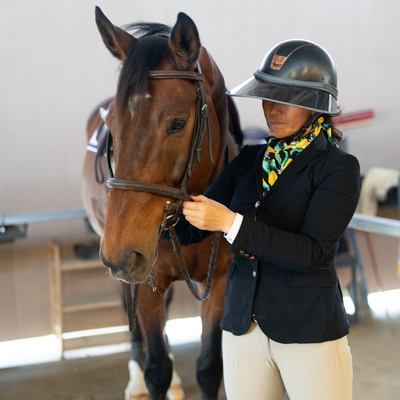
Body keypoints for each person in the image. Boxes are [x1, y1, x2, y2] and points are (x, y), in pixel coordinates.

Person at [172, 39, 360, 400]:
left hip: (308, 330)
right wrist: (153, 204)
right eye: (266, 96)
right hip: (242, 330)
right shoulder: (248, 160)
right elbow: (190, 229)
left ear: (315, 104)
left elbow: (311, 252)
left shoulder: (338, 168)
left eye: (284, 99)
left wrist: (230, 224)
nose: (270, 109)